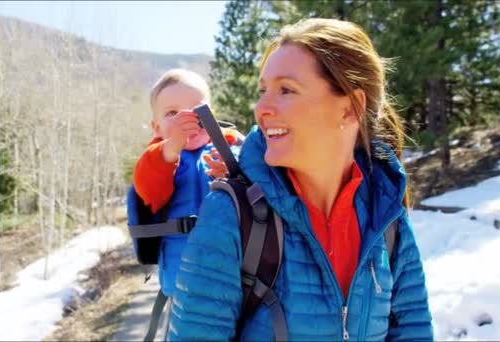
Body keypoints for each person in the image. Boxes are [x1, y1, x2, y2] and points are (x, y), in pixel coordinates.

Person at [168, 18, 433, 341]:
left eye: (286, 90)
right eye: (264, 90)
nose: (261, 107)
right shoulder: (231, 216)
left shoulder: (388, 218)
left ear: (350, 108)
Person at [132, 69, 242, 315]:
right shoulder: (156, 160)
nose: (187, 119)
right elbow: (148, 188)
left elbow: (258, 193)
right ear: (156, 127)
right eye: (173, 113)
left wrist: (234, 171)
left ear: (212, 116)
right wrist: (171, 148)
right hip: (183, 284)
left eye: (197, 110)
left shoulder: (231, 149)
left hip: (236, 275)